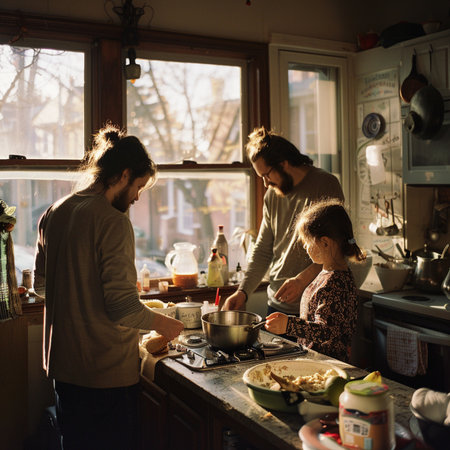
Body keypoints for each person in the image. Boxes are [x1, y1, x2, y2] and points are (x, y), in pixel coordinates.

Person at [33, 125, 184, 450]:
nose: (137, 196)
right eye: (138, 186)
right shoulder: (113, 222)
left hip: (64, 370)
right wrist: (167, 324)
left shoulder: (54, 212)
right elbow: (123, 307)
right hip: (105, 374)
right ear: (124, 174)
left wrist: (78, 296)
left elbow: (41, 287)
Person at [222, 126, 344, 319]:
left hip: (314, 306)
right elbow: (263, 249)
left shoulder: (325, 185)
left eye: (266, 175)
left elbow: (337, 248)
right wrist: (242, 291)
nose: (265, 183)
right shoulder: (273, 195)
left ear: (284, 164)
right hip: (277, 306)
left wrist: (301, 280)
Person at [264, 199, 365, 362]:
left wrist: (289, 325)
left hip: (329, 366)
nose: (305, 247)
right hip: (314, 361)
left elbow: (326, 330)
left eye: (306, 242)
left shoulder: (336, 282)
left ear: (325, 243)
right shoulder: (326, 273)